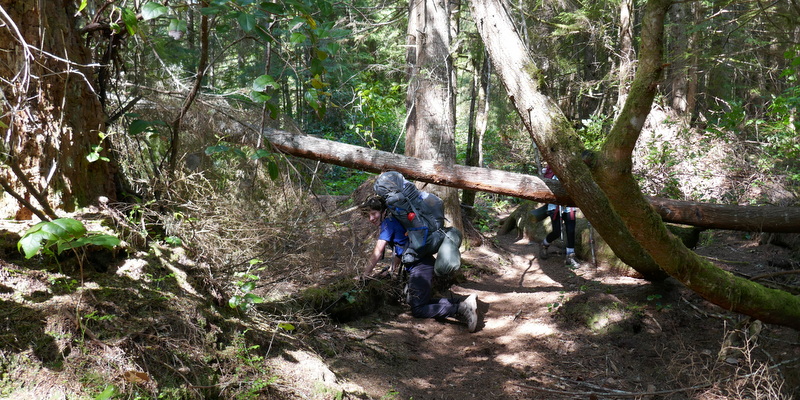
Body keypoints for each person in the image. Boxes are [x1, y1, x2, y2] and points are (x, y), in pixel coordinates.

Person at [358, 195, 479, 332]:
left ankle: (461, 308)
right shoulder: (394, 221)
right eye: (368, 216)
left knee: (418, 310)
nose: (371, 218)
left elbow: (378, 252)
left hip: (421, 267)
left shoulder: (387, 224)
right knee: (419, 302)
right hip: (424, 264)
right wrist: (392, 269)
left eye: (373, 214)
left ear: (383, 211)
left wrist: (364, 274)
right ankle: (462, 302)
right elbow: (401, 248)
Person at [539, 165, 580, 268]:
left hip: (569, 207)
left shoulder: (570, 172)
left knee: (570, 230)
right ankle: (544, 244)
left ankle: (570, 256)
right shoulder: (550, 174)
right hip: (554, 207)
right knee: (556, 232)